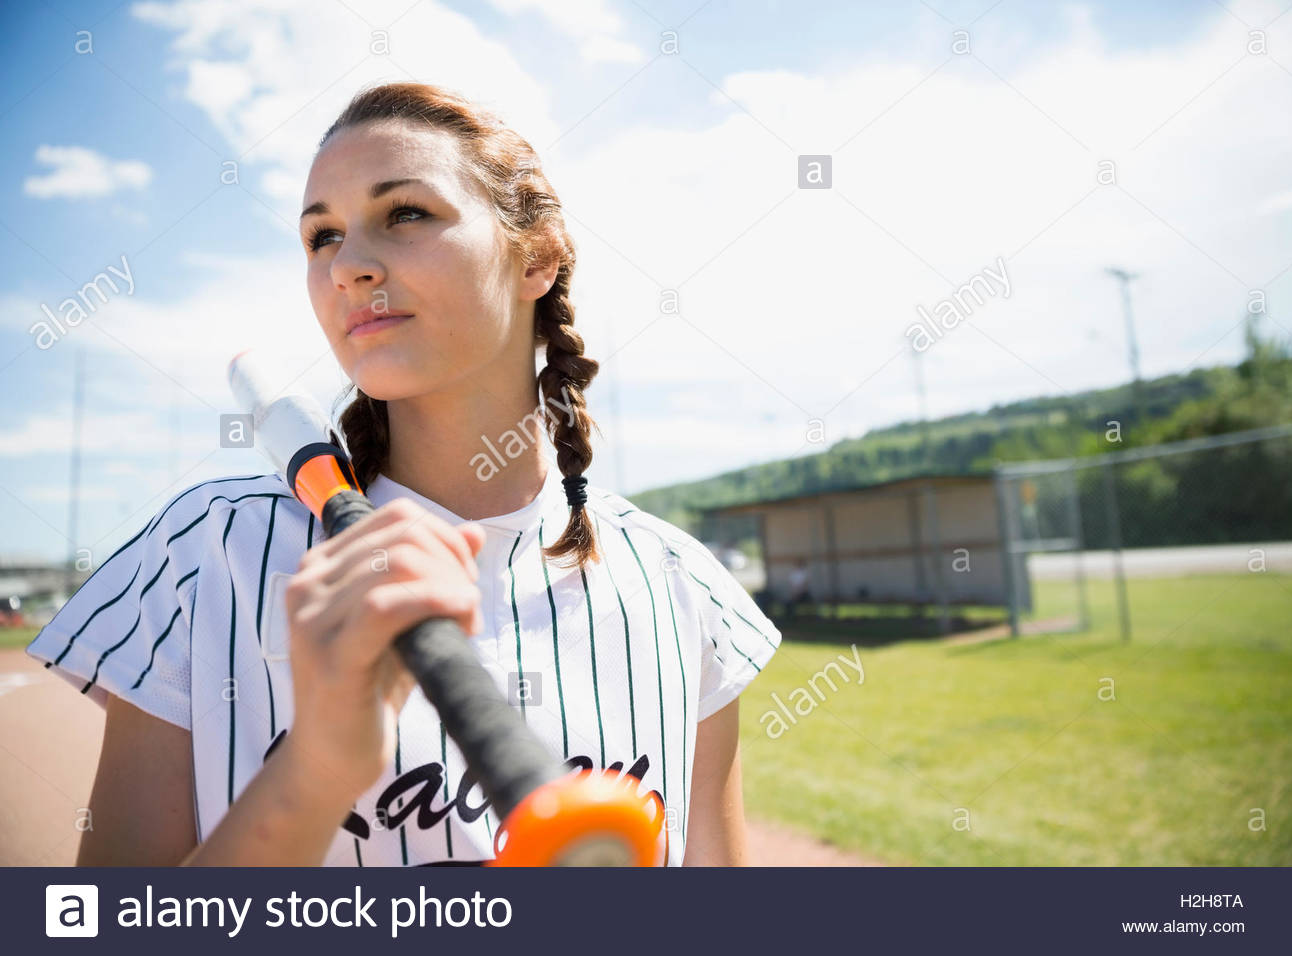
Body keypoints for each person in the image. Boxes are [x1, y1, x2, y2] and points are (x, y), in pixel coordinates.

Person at [25, 82, 782, 867]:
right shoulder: (207, 553)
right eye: (321, 237)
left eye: (406, 214)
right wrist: (317, 772)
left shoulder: (678, 581)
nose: (349, 265)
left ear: (540, 257)